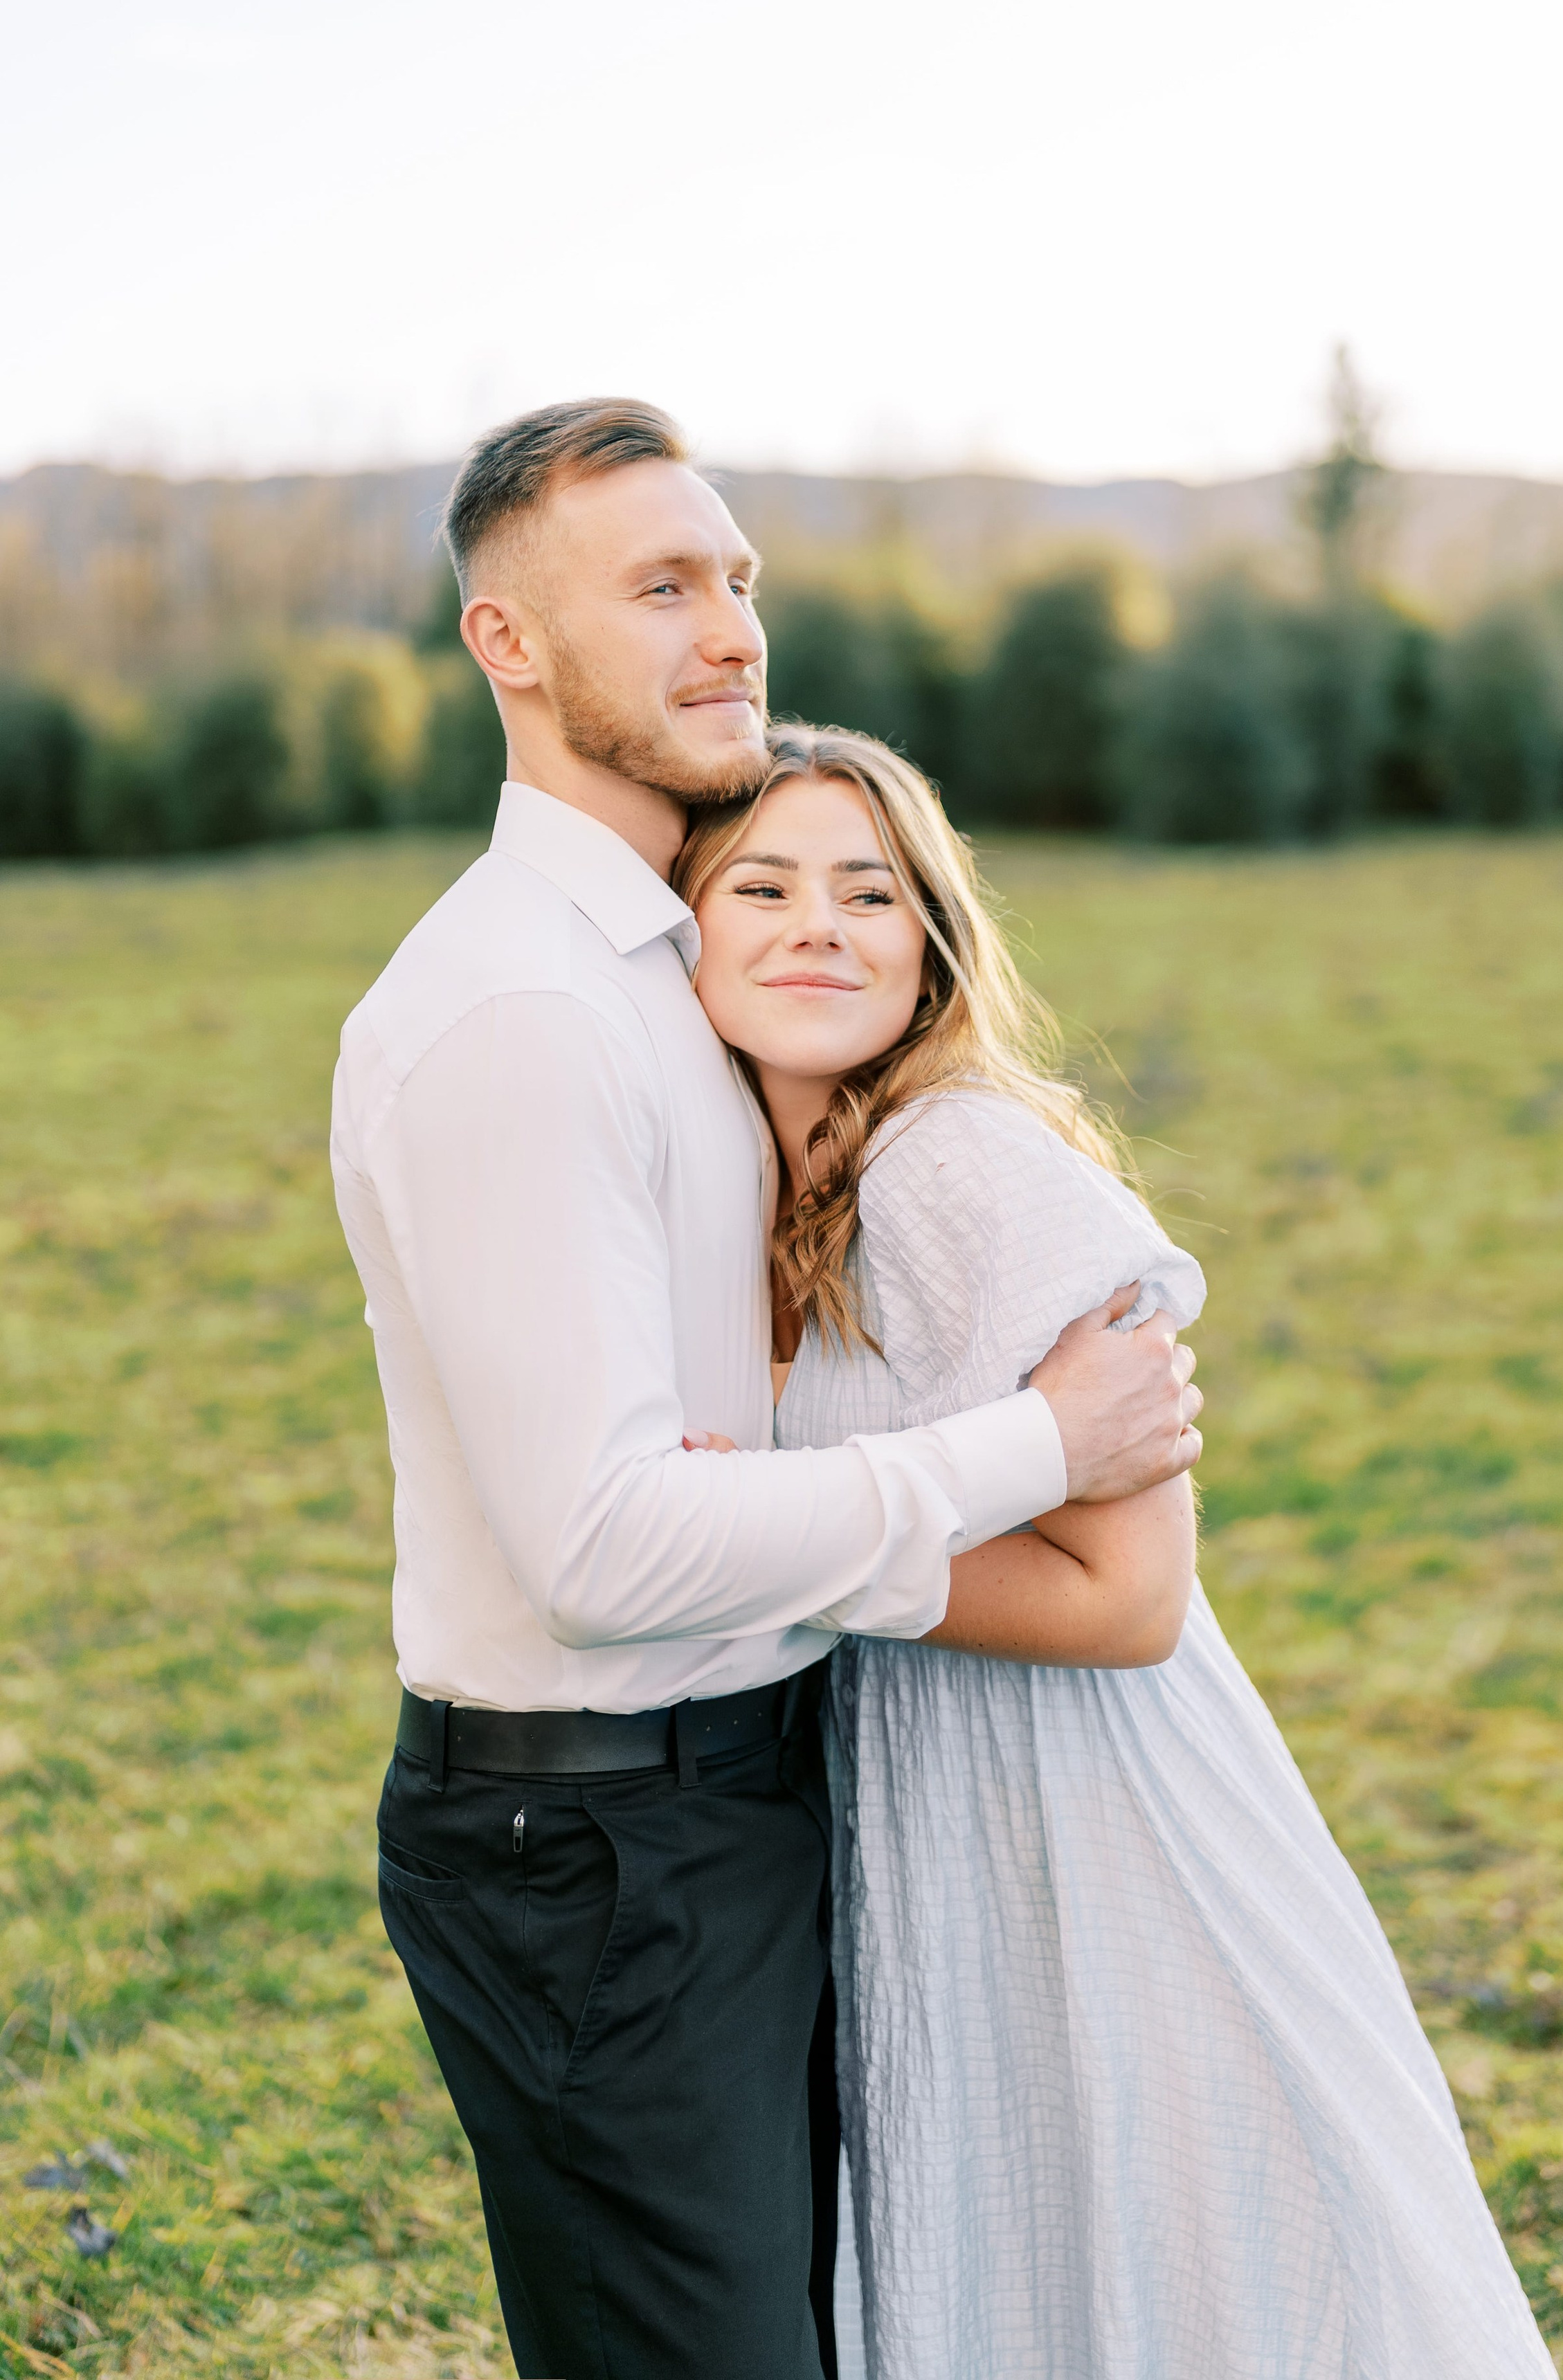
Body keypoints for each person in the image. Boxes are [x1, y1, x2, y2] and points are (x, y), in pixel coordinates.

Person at [329, 399, 1200, 2380]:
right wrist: (1037, 1449)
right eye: (660, 587)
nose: (731, 631)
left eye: (738, 580)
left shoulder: (671, 968)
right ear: (510, 647)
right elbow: (606, 1547)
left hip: (748, 1791)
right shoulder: (529, 1010)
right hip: (598, 1850)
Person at [676, 723, 1561, 2380]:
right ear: (687, 925)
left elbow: (1131, 1597)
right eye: (764, 885)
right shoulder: (742, 1187)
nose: (818, 924)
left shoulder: (956, 1162)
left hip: (1091, 1799)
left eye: (870, 891)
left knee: (1189, 2259)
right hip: (934, 1798)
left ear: (933, 941)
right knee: (1030, 2252)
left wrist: (773, 1543)